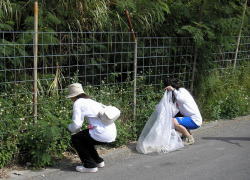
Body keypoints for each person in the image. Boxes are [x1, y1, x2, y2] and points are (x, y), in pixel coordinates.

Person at [66, 83, 117, 173]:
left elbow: (76, 125)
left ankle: (89, 166)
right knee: (85, 137)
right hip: (111, 132)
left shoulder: (78, 103)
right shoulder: (90, 101)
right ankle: (98, 161)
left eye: (70, 97)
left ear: (73, 96)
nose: (71, 99)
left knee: (76, 138)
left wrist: (68, 127)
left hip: (102, 133)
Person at [164, 78, 202, 145]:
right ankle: (186, 135)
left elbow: (181, 99)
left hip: (195, 120)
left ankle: (190, 138)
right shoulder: (180, 91)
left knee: (172, 122)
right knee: (173, 118)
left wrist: (173, 90)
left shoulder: (181, 92)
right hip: (190, 118)